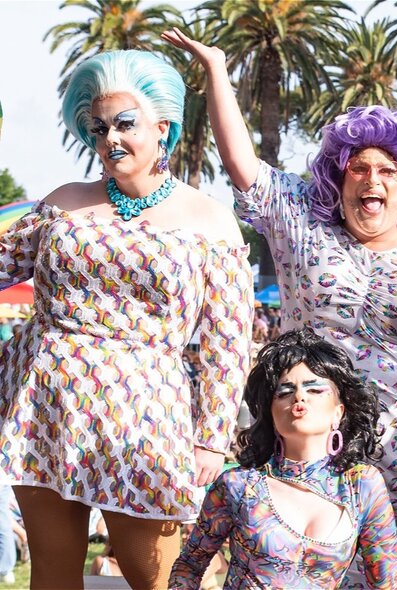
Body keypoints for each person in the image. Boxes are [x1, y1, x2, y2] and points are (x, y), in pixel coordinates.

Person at [164, 29, 397, 588]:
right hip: (307, 438)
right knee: (297, 570)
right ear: (338, 178)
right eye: (359, 168)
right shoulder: (304, 230)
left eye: (388, 172)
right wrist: (218, 70)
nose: (372, 181)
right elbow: (242, 164)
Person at [0, 50, 253, 588]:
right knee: (51, 571)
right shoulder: (64, 203)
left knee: (157, 577)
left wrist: (211, 438)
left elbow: (226, 342)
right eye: (97, 127)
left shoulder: (209, 220)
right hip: (45, 405)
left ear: (163, 127)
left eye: (124, 123)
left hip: (144, 421)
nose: (109, 138)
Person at [170, 328, 397, 589]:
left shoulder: (361, 484)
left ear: (339, 411)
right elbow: (189, 566)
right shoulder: (239, 484)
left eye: (314, 390)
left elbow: (387, 584)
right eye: (284, 392)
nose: (299, 397)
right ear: (270, 412)